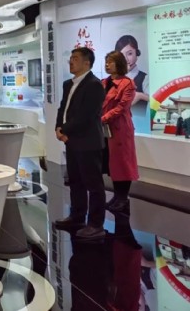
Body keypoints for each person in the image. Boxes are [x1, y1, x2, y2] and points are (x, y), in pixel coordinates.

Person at [55, 47, 106, 240]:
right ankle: (77, 216)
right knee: (75, 181)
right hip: (71, 141)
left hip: (88, 142)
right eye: (70, 58)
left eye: (75, 58)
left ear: (87, 62)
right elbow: (63, 108)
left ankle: (96, 224)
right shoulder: (68, 84)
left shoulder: (94, 85)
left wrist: (65, 130)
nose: (71, 61)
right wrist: (58, 127)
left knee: (93, 185)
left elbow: (87, 116)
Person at [102, 51, 139, 216]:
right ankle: (117, 197)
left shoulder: (128, 83)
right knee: (113, 164)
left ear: (119, 63)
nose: (107, 64)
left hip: (120, 128)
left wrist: (103, 118)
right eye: (106, 61)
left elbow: (122, 107)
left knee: (123, 163)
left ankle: (123, 198)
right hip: (106, 128)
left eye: (110, 62)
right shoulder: (104, 82)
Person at [114, 35, 149, 111]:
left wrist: (140, 96)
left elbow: (157, 101)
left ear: (137, 53)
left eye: (129, 54)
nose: (126, 59)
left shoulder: (145, 78)